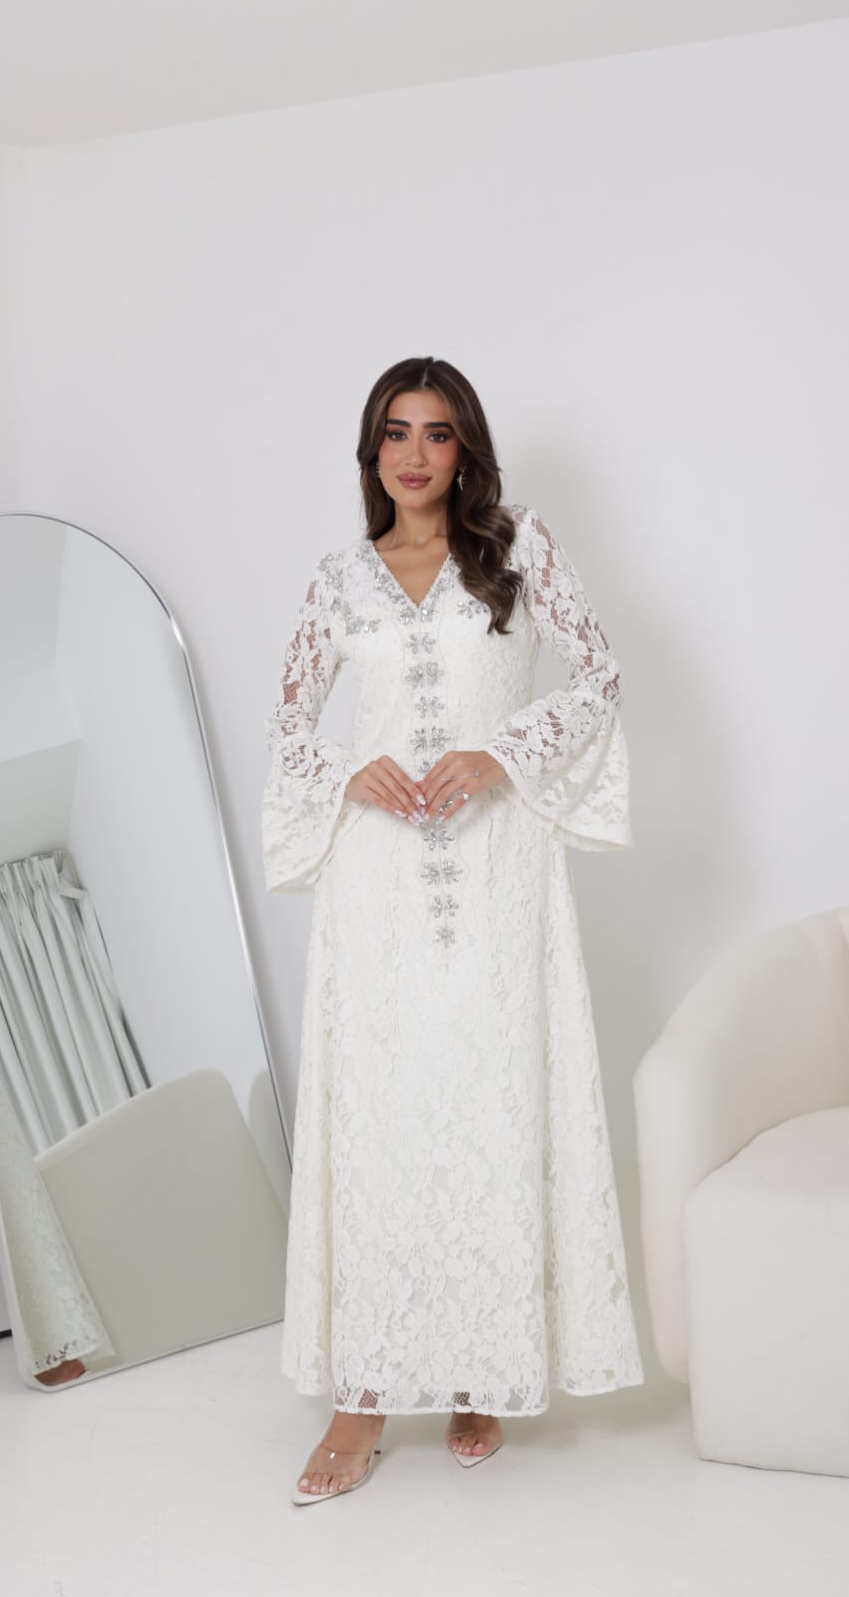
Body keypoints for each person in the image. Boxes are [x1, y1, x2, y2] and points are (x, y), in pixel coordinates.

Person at [261, 356, 644, 1504]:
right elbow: (287, 723)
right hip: (378, 882)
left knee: (491, 1101)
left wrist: (502, 751)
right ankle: (364, 1398)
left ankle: (485, 1364)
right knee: (381, 1119)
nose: (415, 453)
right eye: (395, 432)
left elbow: (599, 675)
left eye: (436, 432)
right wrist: (348, 769)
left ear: (464, 447)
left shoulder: (517, 552)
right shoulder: (340, 581)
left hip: (497, 868)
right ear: (372, 451)